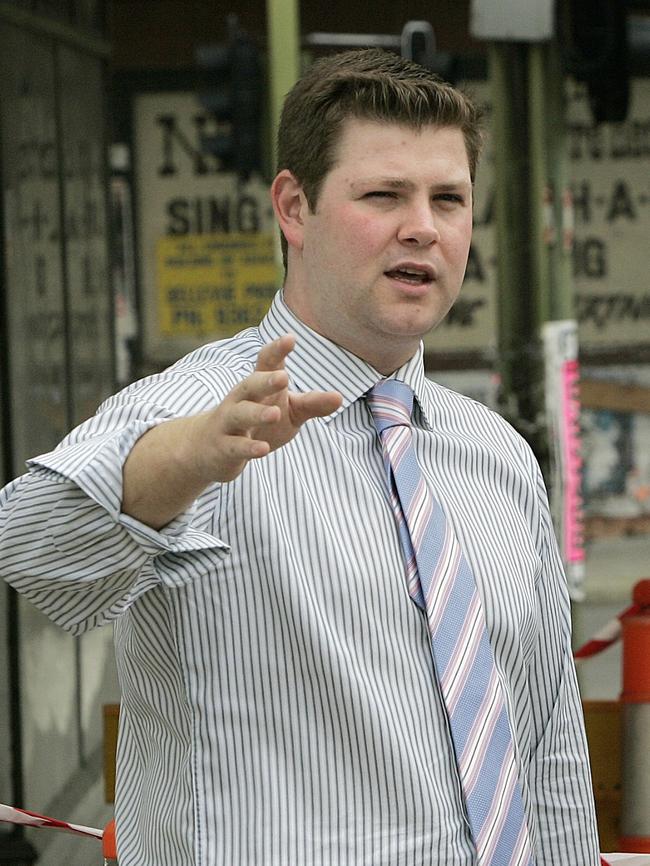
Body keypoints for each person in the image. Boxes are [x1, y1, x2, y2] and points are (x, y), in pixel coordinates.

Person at [0, 49, 599, 865]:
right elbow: (32, 550)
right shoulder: (196, 412)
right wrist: (187, 461)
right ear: (294, 207)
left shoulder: (494, 452)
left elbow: (550, 745)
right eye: (383, 194)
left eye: (448, 198)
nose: (422, 225)